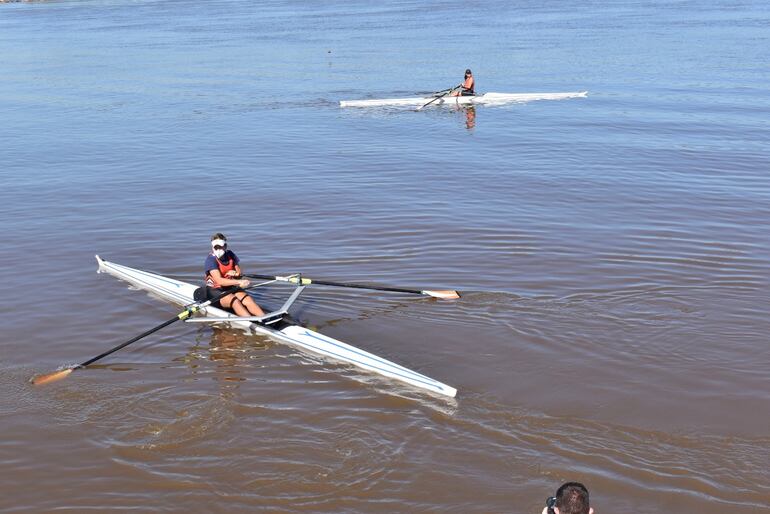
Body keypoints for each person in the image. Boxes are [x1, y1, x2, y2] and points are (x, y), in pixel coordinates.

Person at [196, 233, 265, 317]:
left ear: (225, 246)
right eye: (215, 247)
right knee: (235, 301)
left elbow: (239, 275)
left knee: (248, 300)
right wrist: (239, 282)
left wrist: (236, 274)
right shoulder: (210, 260)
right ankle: (251, 322)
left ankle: (265, 319)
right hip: (215, 290)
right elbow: (219, 281)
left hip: (230, 287)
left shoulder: (230, 255)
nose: (218, 249)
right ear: (212, 247)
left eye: (220, 247)